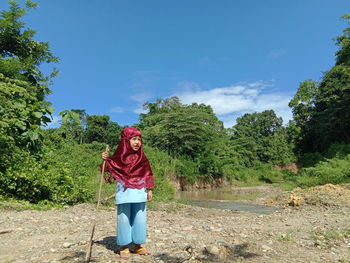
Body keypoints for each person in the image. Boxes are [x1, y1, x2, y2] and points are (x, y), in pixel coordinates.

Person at [101, 127, 155, 258]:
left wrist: (150, 189)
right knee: (124, 219)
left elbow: (148, 173)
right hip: (124, 194)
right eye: (134, 139)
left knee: (140, 219)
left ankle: (137, 246)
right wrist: (104, 160)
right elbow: (106, 169)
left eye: (139, 139)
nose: (137, 142)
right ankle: (124, 246)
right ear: (126, 140)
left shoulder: (142, 158)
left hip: (139, 193)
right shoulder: (117, 159)